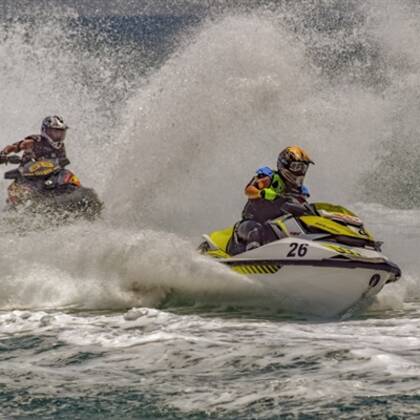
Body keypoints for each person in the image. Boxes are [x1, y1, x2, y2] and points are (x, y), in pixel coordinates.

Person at [228, 146, 314, 255]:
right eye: (297, 167)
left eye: (303, 168)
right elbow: (248, 190)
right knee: (256, 230)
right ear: (284, 164)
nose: (301, 171)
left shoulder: (301, 191)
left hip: (275, 226)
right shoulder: (269, 178)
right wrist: (262, 193)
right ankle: (254, 258)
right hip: (251, 223)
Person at [0, 115, 69, 164]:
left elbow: (61, 164)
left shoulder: (60, 146)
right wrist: (3, 154)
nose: (58, 136)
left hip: (49, 178)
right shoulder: (34, 141)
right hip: (28, 176)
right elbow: (14, 147)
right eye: (55, 132)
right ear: (44, 130)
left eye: (61, 132)